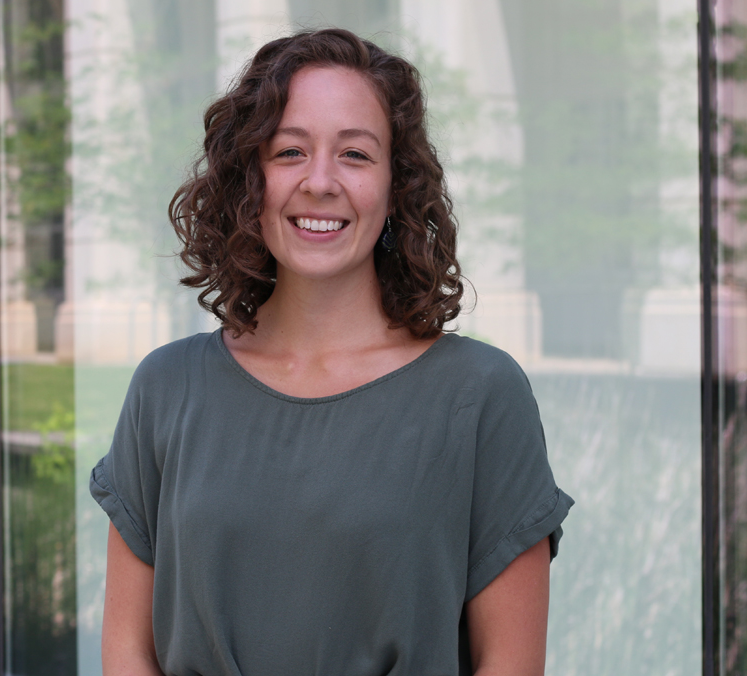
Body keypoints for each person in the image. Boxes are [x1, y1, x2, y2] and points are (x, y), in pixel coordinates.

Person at [89, 28, 572, 676]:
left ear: (396, 186)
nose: (320, 181)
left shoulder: (479, 396)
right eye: (290, 151)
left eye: (355, 154)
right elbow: (127, 650)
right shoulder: (166, 388)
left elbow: (510, 664)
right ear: (250, 180)